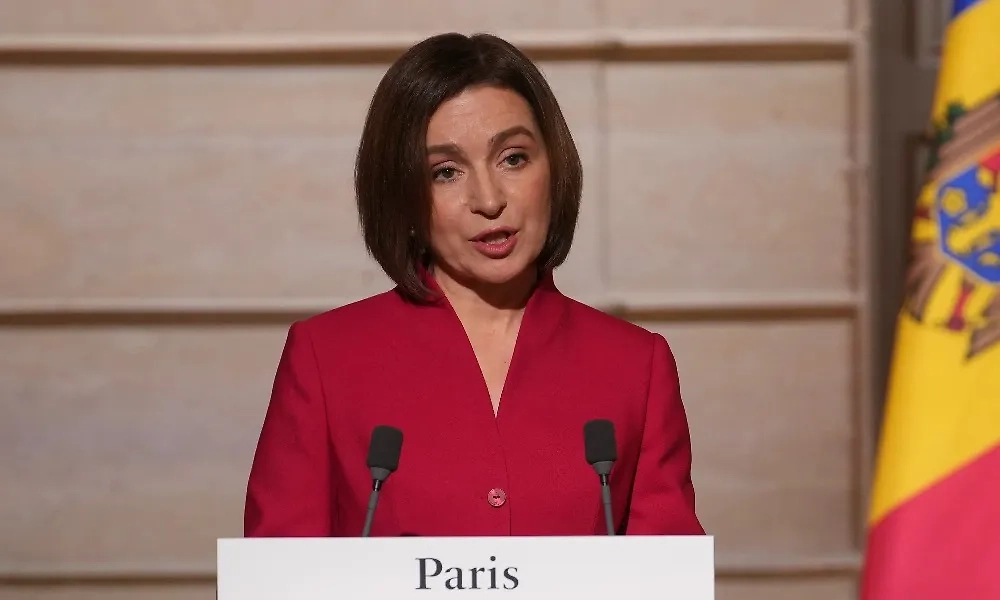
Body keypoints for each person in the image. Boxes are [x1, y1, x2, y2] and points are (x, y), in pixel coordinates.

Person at [244, 32, 705, 537]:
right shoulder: (325, 359)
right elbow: (280, 568)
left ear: (554, 167)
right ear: (402, 195)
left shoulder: (636, 366)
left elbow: (667, 567)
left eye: (513, 158)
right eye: (445, 172)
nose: (488, 200)